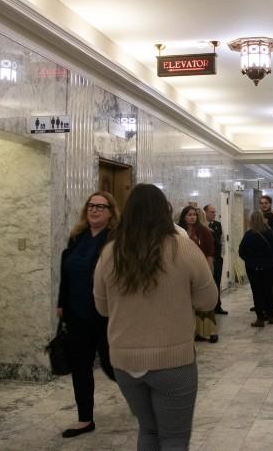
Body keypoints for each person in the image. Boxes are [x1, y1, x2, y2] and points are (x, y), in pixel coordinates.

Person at [93, 184, 217, 450]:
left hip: (125, 362)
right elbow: (209, 300)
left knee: (148, 430)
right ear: (166, 211)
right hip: (173, 360)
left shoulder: (110, 252)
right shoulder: (183, 249)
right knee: (174, 438)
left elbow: (102, 307)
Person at [56, 191, 120, 438]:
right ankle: (85, 419)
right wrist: (61, 302)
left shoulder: (115, 239)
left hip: (105, 313)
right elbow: (67, 271)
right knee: (80, 366)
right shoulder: (77, 236)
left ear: (111, 212)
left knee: (112, 364)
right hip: (76, 313)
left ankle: (142, 401)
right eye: (91, 206)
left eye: (100, 207)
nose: (94, 210)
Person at [178, 205, 219, 343]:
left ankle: (211, 331)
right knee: (189, 303)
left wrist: (207, 270)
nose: (192, 217)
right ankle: (195, 332)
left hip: (201, 269)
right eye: (189, 215)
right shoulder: (178, 231)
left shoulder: (203, 231)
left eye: (194, 215)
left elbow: (209, 252)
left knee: (205, 299)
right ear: (184, 216)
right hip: (183, 271)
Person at [238, 211, 273, 327]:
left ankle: (260, 318)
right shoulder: (270, 233)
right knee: (268, 291)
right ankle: (271, 316)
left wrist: (250, 260)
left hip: (253, 268)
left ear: (251, 220)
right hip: (268, 267)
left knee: (257, 292)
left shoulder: (249, 234)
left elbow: (241, 251)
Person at [204, 204, 228, 315]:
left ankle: (218, 306)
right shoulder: (202, 226)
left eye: (214, 212)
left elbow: (223, 241)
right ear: (205, 213)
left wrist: (222, 255)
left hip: (217, 258)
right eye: (211, 212)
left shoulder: (218, 225)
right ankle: (208, 307)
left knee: (217, 282)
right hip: (205, 259)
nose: (214, 214)